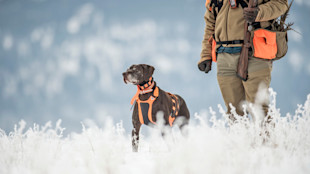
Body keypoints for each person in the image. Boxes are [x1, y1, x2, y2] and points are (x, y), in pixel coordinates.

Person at [198, 0, 288, 122]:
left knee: (259, 110)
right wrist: (206, 55)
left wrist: (259, 12)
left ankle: (266, 141)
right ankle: (240, 141)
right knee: (234, 112)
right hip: (224, 56)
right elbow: (210, 23)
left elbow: (281, 3)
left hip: (255, 53)